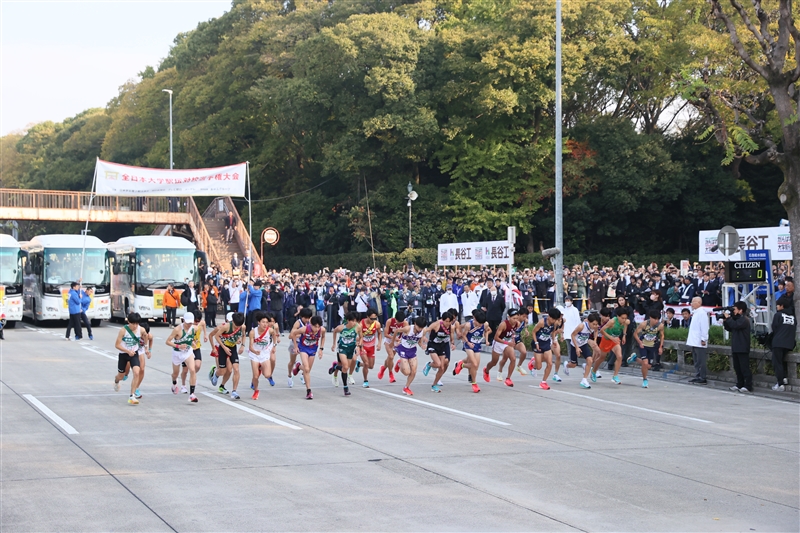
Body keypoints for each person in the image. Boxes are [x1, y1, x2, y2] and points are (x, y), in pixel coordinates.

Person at [208, 312, 246, 399]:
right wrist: (222, 348)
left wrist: (242, 345)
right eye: (236, 326)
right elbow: (216, 336)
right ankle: (216, 374)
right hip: (222, 348)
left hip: (232, 348)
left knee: (235, 369)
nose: (237, 327)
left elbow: (243, 335)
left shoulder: (242, 327)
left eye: (239, 326)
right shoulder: (224, 327)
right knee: (223, 371)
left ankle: (234, 391)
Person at [453, 309, 490, 393]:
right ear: (474, 319)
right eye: (478, 323)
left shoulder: (485, 324)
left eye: (481, 323)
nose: (480, 325)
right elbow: (464, 335)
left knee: (476, 366)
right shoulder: (469, 325)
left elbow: (486, 331)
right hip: (469, 345)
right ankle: (474, 383)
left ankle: (461, 365)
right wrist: (468, 343)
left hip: (477, 345)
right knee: (474, 364)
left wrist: (487, 340)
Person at [289, 315, 326, 399]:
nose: (317, 329)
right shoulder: (305, 329)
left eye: (318, 327)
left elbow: (323, 337)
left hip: (313, 349)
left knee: (308, 369)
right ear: (311, 324)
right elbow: (293, 334)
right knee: (306, 369)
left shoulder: (322, 330)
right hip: (303, 348)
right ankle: (308, 391)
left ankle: (298, 367)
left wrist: (321, 348)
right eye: (315, 326)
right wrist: (296, 346)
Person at [166, 312, 199, 403]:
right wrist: (178, 346)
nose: (189, 325)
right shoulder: (177, 329)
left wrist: (192, 342)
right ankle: (174, 383)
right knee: (175, 373)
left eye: (191, 323)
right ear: (183, 320)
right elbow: (168, 342)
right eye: (187, 323)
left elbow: (190, 337)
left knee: (192, 370)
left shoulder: (195, 328)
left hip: (188, 352)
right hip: (177, 353)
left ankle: (192, 394)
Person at [591, 307, 629, 385]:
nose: (624, 320)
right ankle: (594, 371)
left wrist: (624, 335)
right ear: (618, 316)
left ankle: (615, 376)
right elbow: (601, 330)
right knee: (602, 358)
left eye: (625, 318)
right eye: (622, 318)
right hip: (606, 340)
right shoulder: (612, 322)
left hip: (615, 340)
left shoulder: (625, 321)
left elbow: (625, 326)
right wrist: (611, 337)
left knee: (619, 356)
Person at [113, 312, 144, 405]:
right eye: (133, 323)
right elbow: (117, 345)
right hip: (124, 354)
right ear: (128, 322)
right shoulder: (123, 330)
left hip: (134, 354)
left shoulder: (141, 330)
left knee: (136, 372)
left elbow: (146, 336)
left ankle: (132, 396)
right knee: (121, 376)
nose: (135, 326)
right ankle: (116, 380)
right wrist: (127, 351)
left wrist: (146, 348)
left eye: (137, 324)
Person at [392, 315, 427, 396]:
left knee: (414, 371)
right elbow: (396, 331)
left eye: (422, 328)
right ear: (415, 324)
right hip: (403, 349)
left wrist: (422, 345)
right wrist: (392, 342)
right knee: (406, 372)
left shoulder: (423, 331)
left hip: (412, 350)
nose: (420, 329)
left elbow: (419, 341)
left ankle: (406, 387)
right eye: (419, 327)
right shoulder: (408, 328)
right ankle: (399, 363)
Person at [483, 310, 519, 387]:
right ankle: (486, 370)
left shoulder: (517, 324)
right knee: (494, 362)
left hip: (507, 343)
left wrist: (513, 339)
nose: (515, 320)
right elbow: (496, 337)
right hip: (499, 343)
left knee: (513, 359)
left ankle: (508, 379)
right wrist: (507, 343)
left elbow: (514, 333)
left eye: (517, 318)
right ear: (509, 317)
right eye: (513, 318)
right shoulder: (503, 324)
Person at [330, 312, 363, 396]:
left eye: (355, 321)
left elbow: (361, 337)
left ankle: (336, 366)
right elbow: (334, 331)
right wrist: (334, 344)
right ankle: (345, 387)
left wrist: (359, 346)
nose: (354, 323)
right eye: (352, 321)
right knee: (345, 366)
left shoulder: (358, 327)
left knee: (346, 368)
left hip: (351, 349)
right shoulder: (342, 327)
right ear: (348, 320)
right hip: (342, 348)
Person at [629, 309, 664, 388]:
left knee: (648, 366)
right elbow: (635, 334)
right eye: (655, 319)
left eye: (658, 319)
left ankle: (635, 359)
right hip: (643, 345)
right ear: (650, 318)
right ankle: (645, 380)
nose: (656, 321)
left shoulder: (660, 326)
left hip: (652, 346)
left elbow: (662, 335)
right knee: (645, 363)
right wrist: (639, 342)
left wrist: (660, 347)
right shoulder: (644, 324)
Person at [565, 312, 600, 389]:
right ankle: (567, 365)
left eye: (596, 324)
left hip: (583, 344)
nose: (595, 326)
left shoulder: (595, 326)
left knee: (590, 360)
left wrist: (595, 340)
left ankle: (584, 380)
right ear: (588, 322)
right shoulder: (582, 326)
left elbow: (596, 331)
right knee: (573, 365)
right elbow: (572, 335)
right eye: (593, 324)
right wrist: (577, 347)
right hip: (574, 345)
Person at [723, 301, 753, 393]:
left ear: (741, 310)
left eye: (735, 309)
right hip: (736, 346)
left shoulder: (744, 319)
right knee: (737, 367)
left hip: (743, 347)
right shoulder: (736, 319)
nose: (733, 311)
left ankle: (748, 385)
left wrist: (728, 319)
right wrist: (725, 321)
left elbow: (735, 325)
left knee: (744, 367)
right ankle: (739, 384)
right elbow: (730, 328)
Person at [529, 308, 562, 390]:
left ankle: (543, 382)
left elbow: (553, 332)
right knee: (539, 366)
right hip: (538, 343)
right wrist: (536, 343)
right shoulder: (542, 322)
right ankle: (533, 363)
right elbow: (533, 332)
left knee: (550, 363)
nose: (554, 321)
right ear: (549, 317)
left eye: (556, 319)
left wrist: (554, 340)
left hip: (546, 343)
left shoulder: (555, 324)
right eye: (553, 319)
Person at [249, 311, 279, 399]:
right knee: (255, 376)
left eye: (266, 322)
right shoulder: (253, 332)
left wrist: (274, 345)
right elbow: (250, 346)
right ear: (258, 322)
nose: (265, 324)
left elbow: (274, 335)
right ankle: (256, 390)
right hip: (254, 354)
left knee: (267, 375)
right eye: (263, 322)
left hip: (264, 353)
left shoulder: (270, 330)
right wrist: (254, 351)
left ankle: (261, 367)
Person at [422, 311, 455, 393]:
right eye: (446, 321)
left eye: (449, 321)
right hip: (433, 345)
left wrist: (453, 344)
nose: (447, 323)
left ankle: (434, 385)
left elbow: (451, 336)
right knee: (438, 364)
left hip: (442, 346)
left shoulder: (451, 327)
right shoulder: (436, 324)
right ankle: (429, 364)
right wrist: (423, 337)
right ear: (442, 320)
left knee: (442, 367)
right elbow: (426, 329)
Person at [770, 299, 795, 392]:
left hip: (778, 342)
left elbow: (774, 327)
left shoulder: (778, 315)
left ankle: (780, 383)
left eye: (778, 305)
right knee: (782, 361)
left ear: (782, 306)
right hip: (789, 343)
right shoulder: (793, 317)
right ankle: (784, 377)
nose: (777, 307)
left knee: (777, 362)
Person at [180, 313, 207, 394]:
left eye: (198, 321)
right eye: (195, 321)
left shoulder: (201, 323)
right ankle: (183, 385)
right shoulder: (185, 326)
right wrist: (191, 342)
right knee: (185, 370)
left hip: (196, 347)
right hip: (187, 348)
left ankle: (193, 376)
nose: (196, 323)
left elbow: (204, 325)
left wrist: (205, 335)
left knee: (197, 365)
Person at [378, 310, 406, 383]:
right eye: (398, 322)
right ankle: (391, 373)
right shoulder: (389, 321)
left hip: (397, 341)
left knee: (390, 358)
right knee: (391, 356)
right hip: (389, 340)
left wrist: (400, 340)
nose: (399, 323)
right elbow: (386, 334)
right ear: (395, 318)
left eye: (401, 322)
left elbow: (406, 333)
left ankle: (383, 368)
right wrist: (394, 338)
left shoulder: (405, 323)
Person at [687, 296, 710, 385]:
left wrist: (703, 338)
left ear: (699, 303)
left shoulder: (702, 313)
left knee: (701, 361)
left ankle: (702, 377)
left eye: (693, 302)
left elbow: (704, 327)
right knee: (696, 360)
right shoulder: (695, 313)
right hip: (694, 340)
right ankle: (697, 376)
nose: (691, 304)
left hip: (700, 341)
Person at [288, 308, 313, 387]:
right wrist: (302, 334)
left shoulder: (310, 322)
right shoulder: (298, 323)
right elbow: (291, 335)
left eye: (308, 318)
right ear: (301, 316)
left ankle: (302, 373)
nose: (307, 319)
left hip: (305, 344)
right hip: (296, 343)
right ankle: (289, 375)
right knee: (292, 361)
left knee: (308, 364)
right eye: (305, 318)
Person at [357, 309, 382, 388]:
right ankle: (365, 381)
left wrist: (379, 343)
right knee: (366, 364)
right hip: (363, 346)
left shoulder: (377, 324)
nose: (373, 320)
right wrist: (359, 346)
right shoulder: (361, 325)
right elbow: (358, 337)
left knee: (371, 366)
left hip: (371, 347)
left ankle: (359, 364)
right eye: (372, 319)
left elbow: (379, 333)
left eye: (375, 318)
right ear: (367, 317)